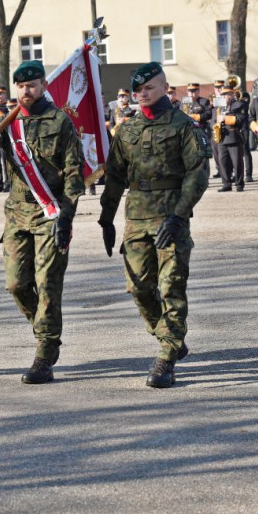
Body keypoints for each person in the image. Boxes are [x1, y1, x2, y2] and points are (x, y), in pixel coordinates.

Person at [0, 60, 84, 384]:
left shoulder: (60, 122)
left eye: (32, 85)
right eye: (21, 86)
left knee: (47, 283)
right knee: (16, 284)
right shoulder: (9, 121)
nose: (26, 91)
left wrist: (66, 216)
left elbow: (74, 173)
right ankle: (45, 332)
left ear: (43, 86)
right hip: (17, 215)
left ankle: (45, 352)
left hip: (50, 212)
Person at [98, 62, 211, 388]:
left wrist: (179, 216)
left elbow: (197, 175)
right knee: (138, 288)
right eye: (138, 90)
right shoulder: (128, 130)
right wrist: (106, 217)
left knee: (171, 286)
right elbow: (115, 176)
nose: (142, 94)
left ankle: (166, 358)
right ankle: (168, 335)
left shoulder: (183, 126)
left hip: (170, 218)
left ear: (164, 87)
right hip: (136, 218)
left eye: (148, 88)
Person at [217, 86, 248, 192]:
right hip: (221, 137)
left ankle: (239, 184)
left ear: (231, 95)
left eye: (226, 95)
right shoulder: (219, 106)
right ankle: (226, 183)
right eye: (223, 95)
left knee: (237, 162)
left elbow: (241, 119)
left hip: (233, 136)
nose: (224, 97)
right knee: (222, 162)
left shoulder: (239, 104)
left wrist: (225, 118)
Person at [210, 78, 226, 179]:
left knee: (224, 154)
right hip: (214, 128)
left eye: (220, 87)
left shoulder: (226, 98)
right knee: (215, 153)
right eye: (217, 88)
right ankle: (219, 170)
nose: (219, 89)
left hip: (224, 129)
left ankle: (228, 172)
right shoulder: (211, 99)